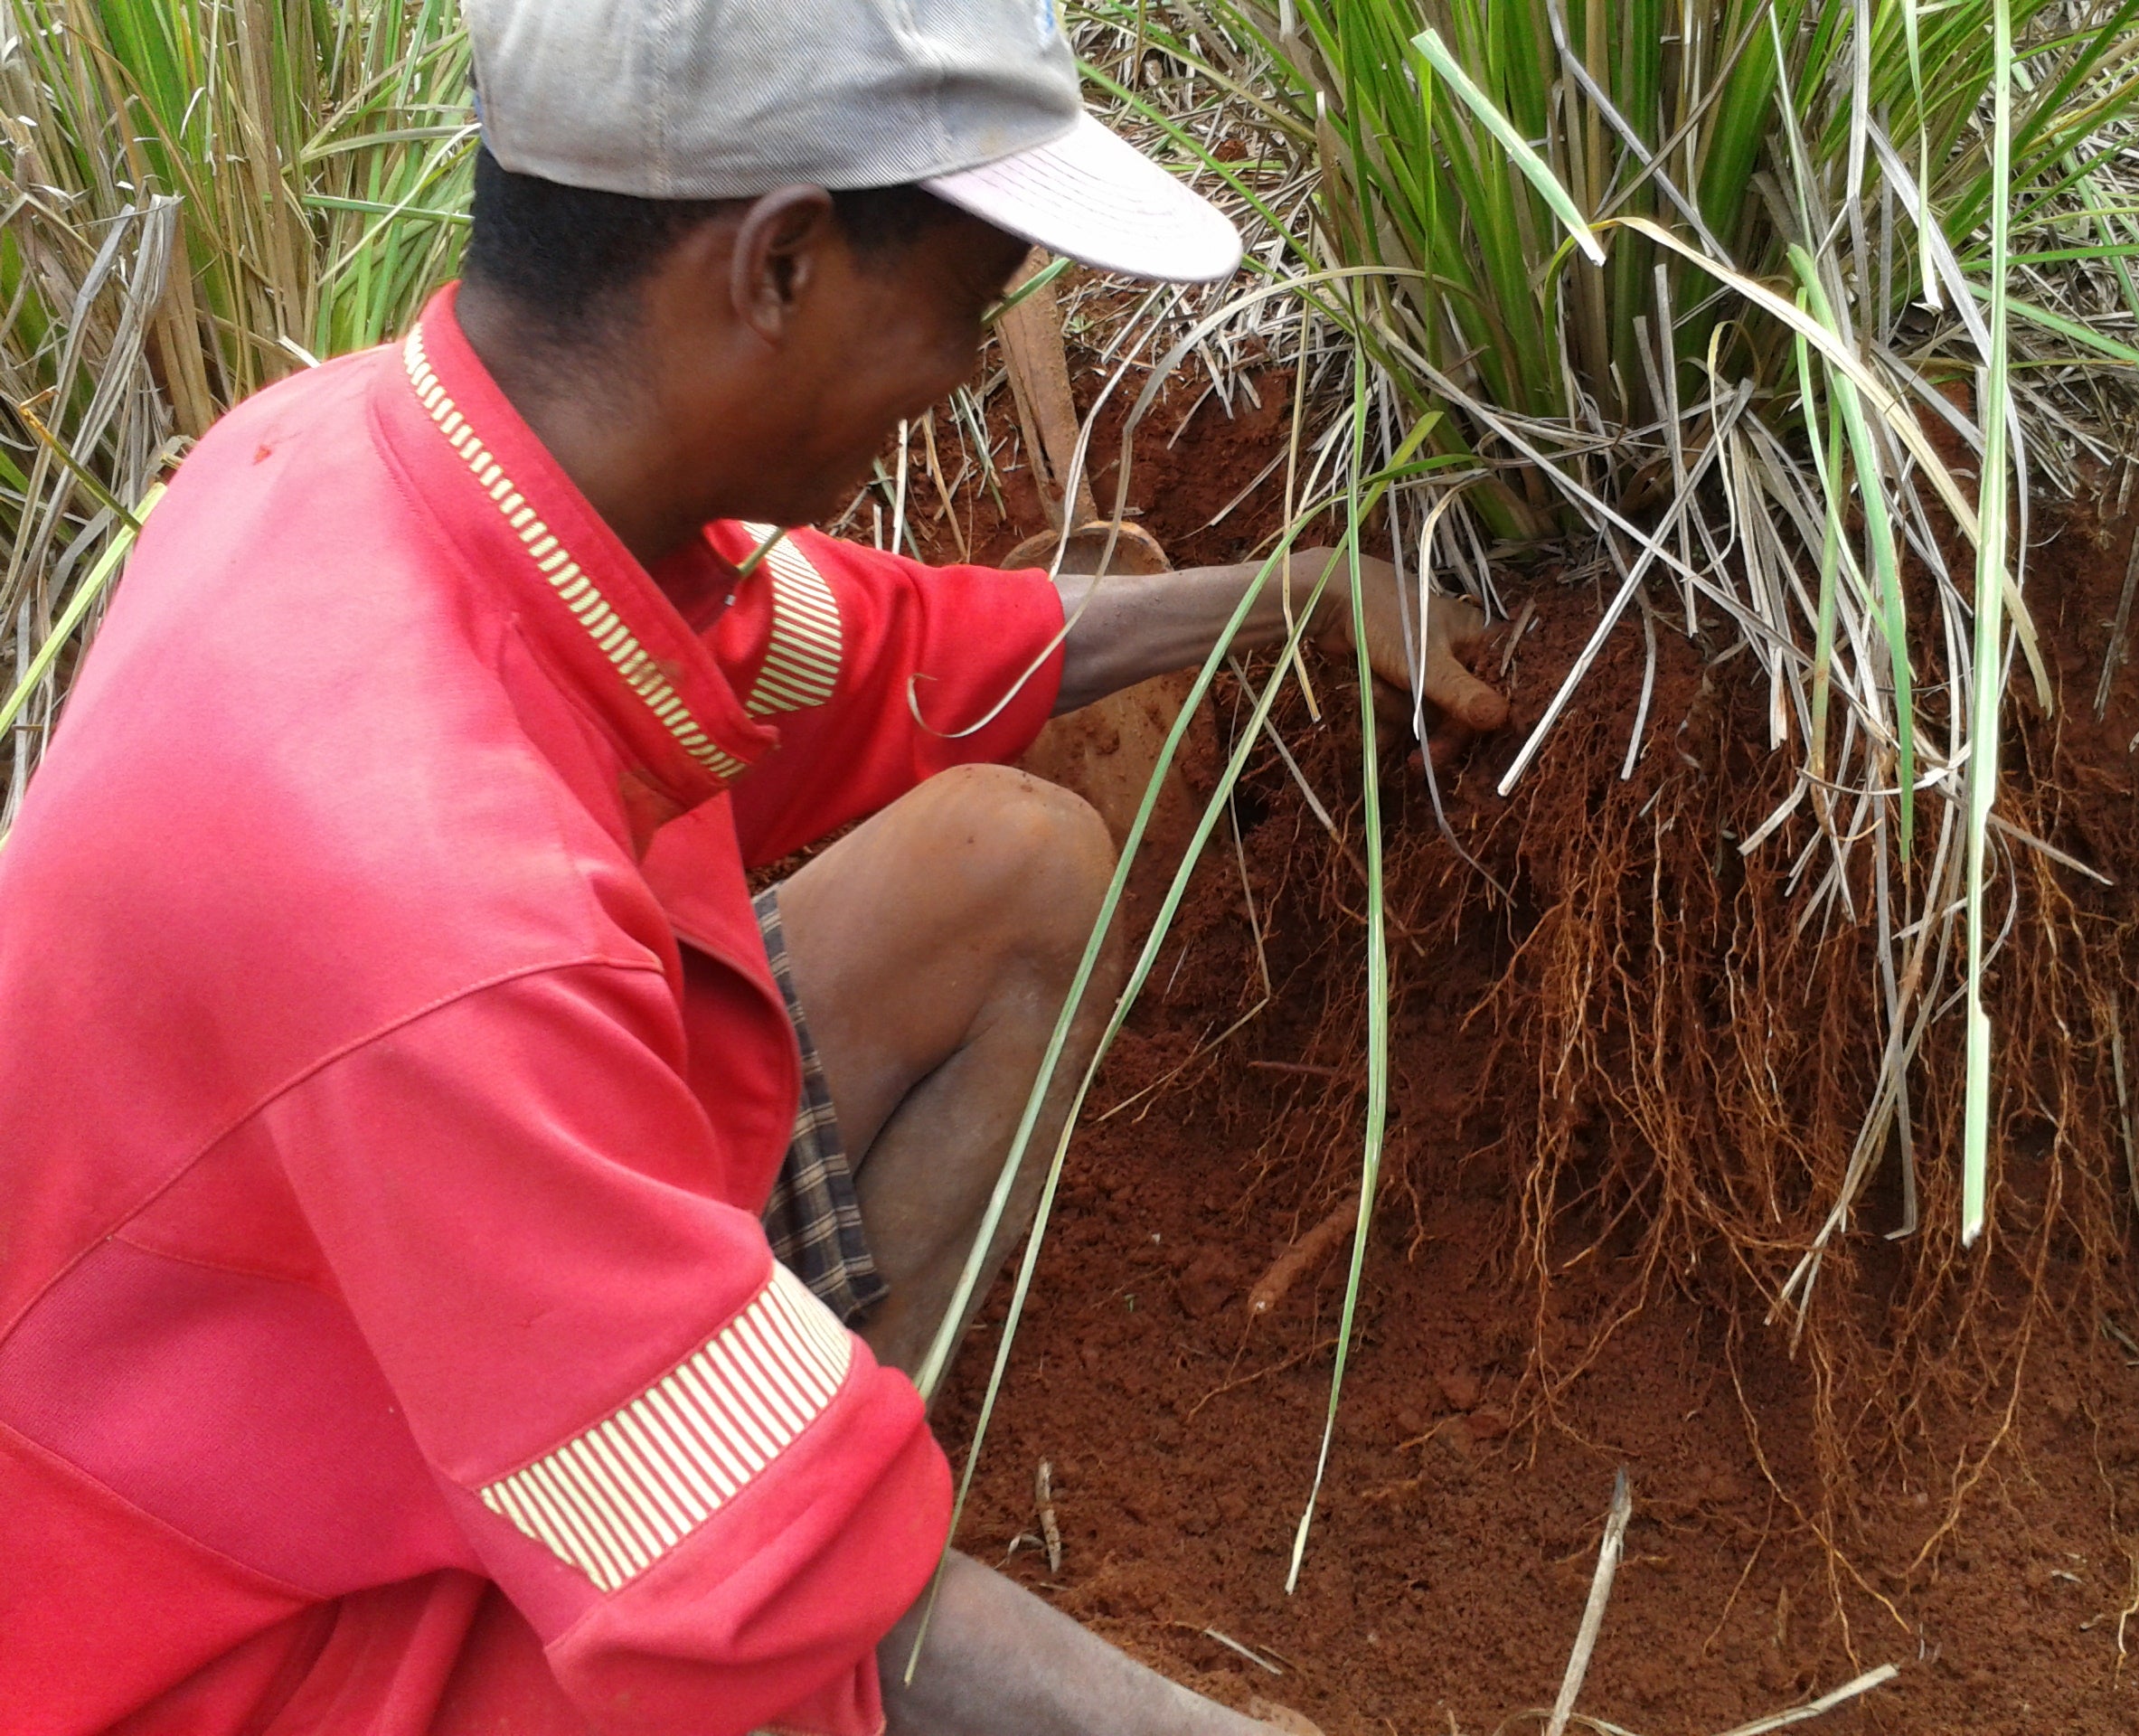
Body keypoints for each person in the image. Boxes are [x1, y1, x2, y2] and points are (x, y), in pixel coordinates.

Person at [0, 2, 1506, 1731]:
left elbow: (878, 648)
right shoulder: (427, 904)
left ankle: (786, 1459)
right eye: (968, 298)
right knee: (766, 1642)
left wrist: (1285, 592)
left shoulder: (384, 461)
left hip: (368, 1338)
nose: (968, 359)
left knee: (1006, 866)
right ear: (780, 263)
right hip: (244, 1632)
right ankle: (766, 1497)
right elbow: (753, 1615)